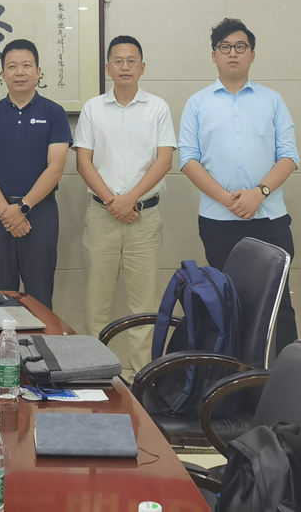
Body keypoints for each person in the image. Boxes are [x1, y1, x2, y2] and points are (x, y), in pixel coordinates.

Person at [178, 17, 300, 351]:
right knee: (226, 303)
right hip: (219, 222)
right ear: (214, 55)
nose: (233, 53)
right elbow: (188, 159)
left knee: (278, 303)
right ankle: (233, 379)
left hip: (270, 219)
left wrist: (258, 194)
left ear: (252, 55)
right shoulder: (197, 103)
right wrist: (227, 199)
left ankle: (282, 375)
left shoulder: (272, 100)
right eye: (225, 47)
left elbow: (289, 156)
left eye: (240, 47)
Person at [74, 34, 176, 379]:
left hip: (144, 219)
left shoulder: (158, 108)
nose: (125, 66)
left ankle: (139, 379)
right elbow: (83, 163)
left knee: (144, 307)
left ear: (142, 67)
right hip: (101, 217)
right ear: (108, 68)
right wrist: (112, 202)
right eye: (118, 61)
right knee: (96, 303)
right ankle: (94, 374)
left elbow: (164, 161)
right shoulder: (92, 108)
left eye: (132, 60)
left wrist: (129, 199)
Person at [0, 40, 72, 309]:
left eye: (26, 65)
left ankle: (41, 340)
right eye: (12, 66)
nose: (19, 72)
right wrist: (8, 212)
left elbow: (56, 168)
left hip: (40, 214)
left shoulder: (54, 113)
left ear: (38, 72)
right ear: (2, 74)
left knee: (40, 298)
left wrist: (23, 208)